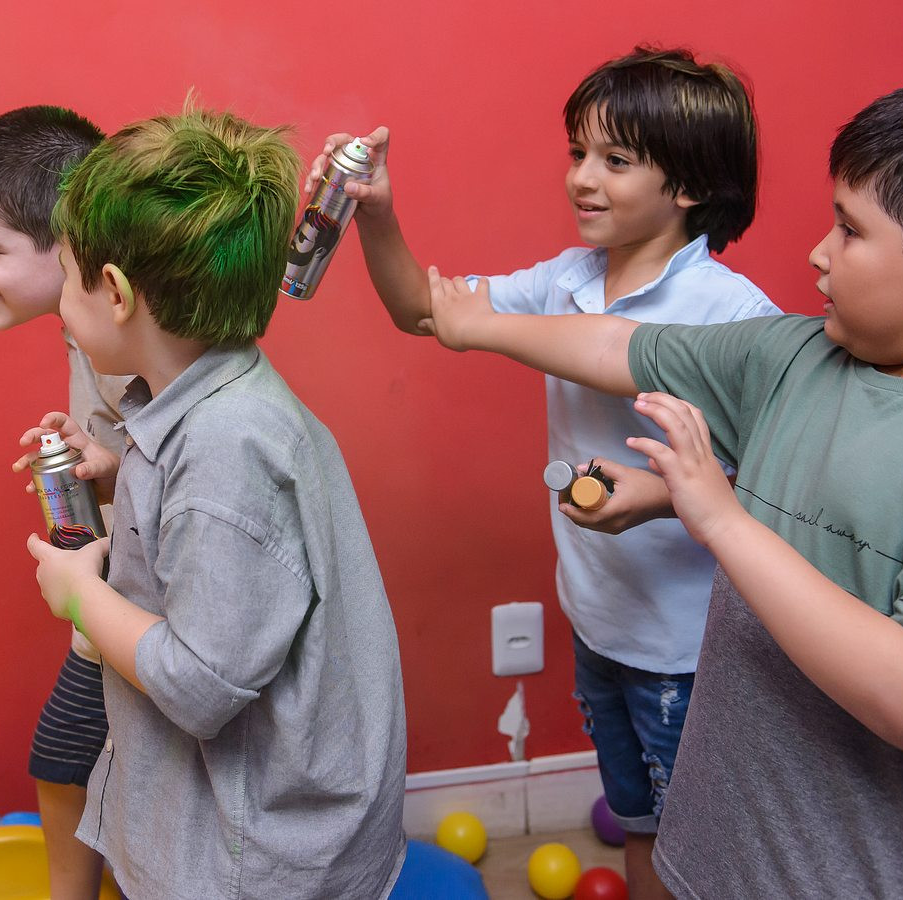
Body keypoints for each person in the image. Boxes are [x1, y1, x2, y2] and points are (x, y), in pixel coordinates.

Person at [424, 59, 903, 898]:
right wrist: (478, 326)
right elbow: (616, 345)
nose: (818, 253)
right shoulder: (793, 357)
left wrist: (720, 519)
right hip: (717, 851)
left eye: (850, 231)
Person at [310, 46, 778, 897]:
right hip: (600, 625)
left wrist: (662, 495)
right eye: (578, 153)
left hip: (688, 651)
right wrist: (377, 214)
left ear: (688, 185)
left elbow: (781, 480)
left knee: (698, 852)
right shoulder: (567, 280)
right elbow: (424, 310)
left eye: (616, 160)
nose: (582, 179)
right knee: (639, 824)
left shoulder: (732, 313)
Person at [19, 107, 408, 899]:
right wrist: (117, 474)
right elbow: (220, 535)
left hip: (247, 860)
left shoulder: (227, 446)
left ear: (116, 292)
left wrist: (80, 596)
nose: (60, 302)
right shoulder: (212, 401)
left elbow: (201, 683)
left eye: (66, 278)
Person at [0, 106, 128, 899]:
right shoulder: (84, 330)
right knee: (68, 762)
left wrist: (112, 473)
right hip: (117, 596)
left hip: (149, 610)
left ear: (71, 243)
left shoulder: (125, 342)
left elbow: (195, 473)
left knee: (68, 758)